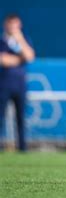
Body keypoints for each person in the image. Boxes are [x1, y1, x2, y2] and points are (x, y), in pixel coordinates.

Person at [0, 14, 35, 152]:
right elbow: (3, 60)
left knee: (20, 119)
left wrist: (19, 39)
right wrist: (20, 59)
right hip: (3, 85)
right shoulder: (1, 41)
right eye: (11, 25)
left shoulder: (24, 40)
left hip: (20, 86)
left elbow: (29, 56)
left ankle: (22, 148)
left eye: (16, 25)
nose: (13, 28)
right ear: (5, 25)